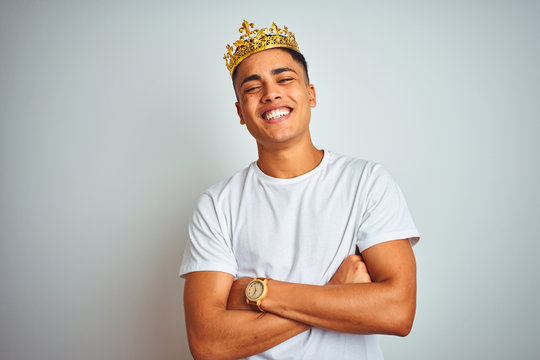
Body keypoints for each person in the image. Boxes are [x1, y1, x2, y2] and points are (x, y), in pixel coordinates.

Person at [179, 20, 420, 360]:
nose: (271, 93)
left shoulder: (367, 182)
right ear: (240, 113)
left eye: (285, 79)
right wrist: (336, 293)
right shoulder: (217, 205)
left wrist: (256, 293)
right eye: (252, 88)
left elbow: (396, 311)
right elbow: (208, 343)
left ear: (310, 94)